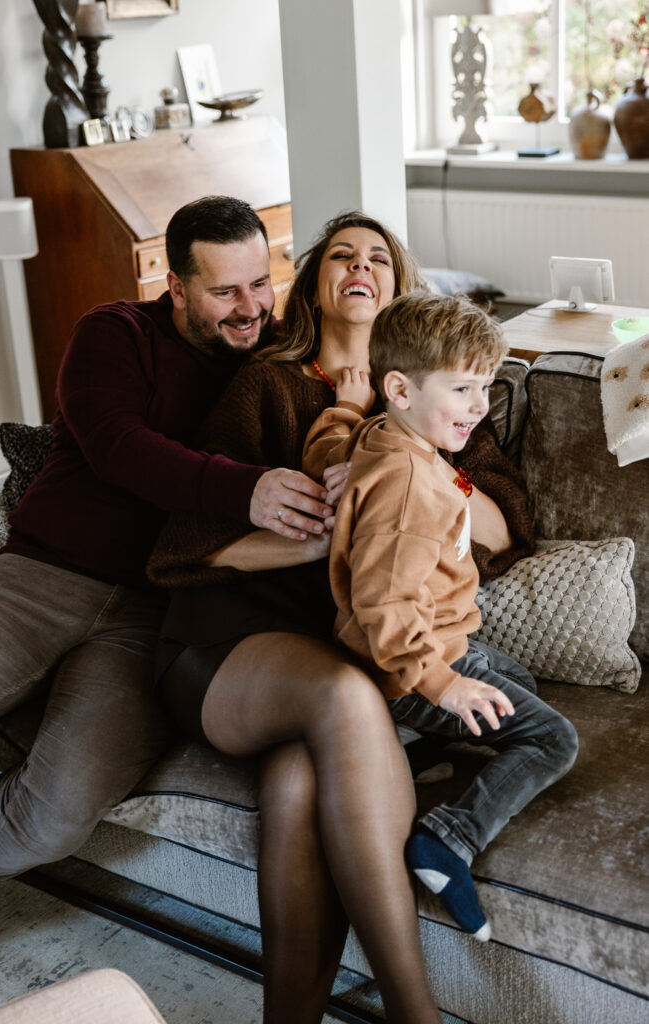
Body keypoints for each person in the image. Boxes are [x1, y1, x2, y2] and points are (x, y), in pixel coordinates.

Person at [147, 212, 535, 1023]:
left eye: (379, 260)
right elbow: (182, 550)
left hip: (335, 651)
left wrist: (409, 459)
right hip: (228, 646)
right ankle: (413, 1012)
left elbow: (503, 528)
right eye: (341, 257)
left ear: (397, 291)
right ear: (314, 284)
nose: (360, 267)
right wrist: (319, 537)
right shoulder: (268, 384)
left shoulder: (443, 405)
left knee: (296, 784)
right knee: (347, 701)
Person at [0, 195, 332, 888]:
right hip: (40, 578)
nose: (249, 307)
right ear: (176, 288)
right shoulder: (115, 332)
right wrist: (241, 489)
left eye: (259, 282)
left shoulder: (280, 359)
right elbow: (116, 446)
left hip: (155, 618)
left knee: (53, 817)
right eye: (223, 291)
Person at [302, 290, 579, 941]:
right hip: (410, 662)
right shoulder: (405, 488)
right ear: (399, 387)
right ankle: (446, 840)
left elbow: (336, 443)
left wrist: (344, 410)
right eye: (461, 389)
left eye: (484, 387)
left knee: (518, 686)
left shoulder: (387, 437)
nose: (479, 406)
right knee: (551, 738)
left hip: (440, 642)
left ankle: (409, 748)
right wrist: (440, 684)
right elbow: (383, 604)